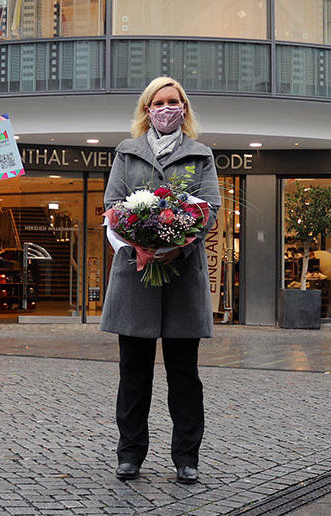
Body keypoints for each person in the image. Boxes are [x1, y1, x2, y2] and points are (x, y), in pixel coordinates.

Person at [100, 77, 221, 484]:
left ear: (184, 108)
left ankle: (187, 457)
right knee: (133, 374)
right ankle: (130, 454)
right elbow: (113, 205)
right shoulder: (127, 152)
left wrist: (176, 246)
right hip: (135, 277)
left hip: (182, 278)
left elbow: (210, 209)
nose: (167, 108)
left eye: (174, 101)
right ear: (147, 109)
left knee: (184, 375)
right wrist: (142, 245)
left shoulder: (200, 155)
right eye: (159, 102)